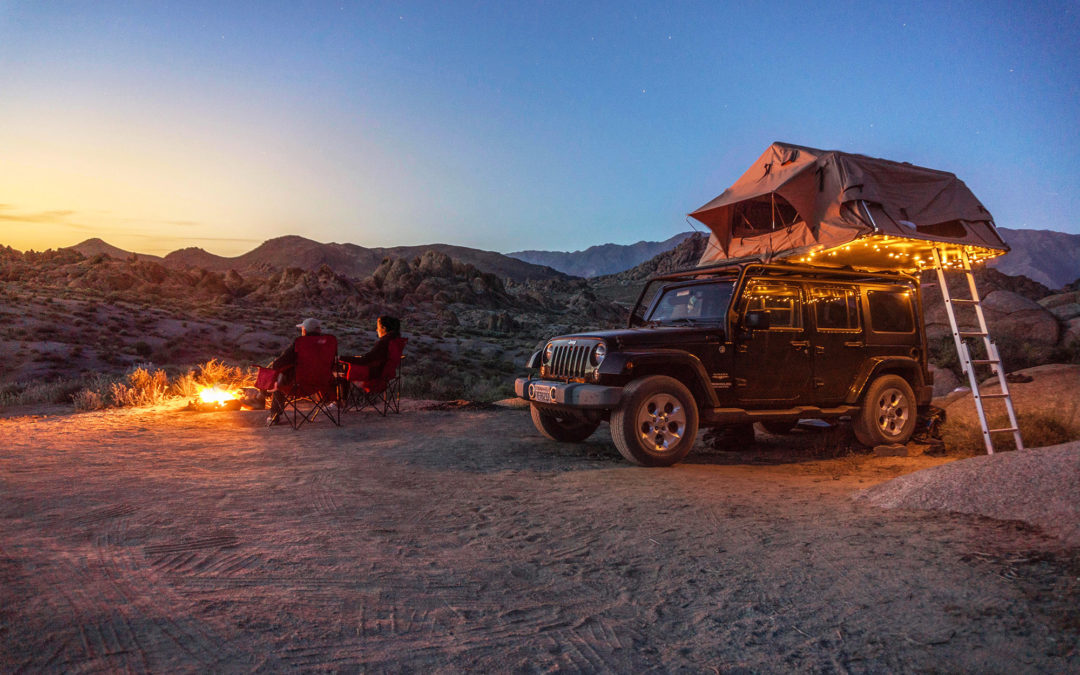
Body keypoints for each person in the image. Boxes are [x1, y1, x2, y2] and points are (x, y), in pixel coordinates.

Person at [265, 317, 324, 426]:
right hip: (321, 383)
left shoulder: (300, 343)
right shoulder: (327, 343)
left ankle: (274, 415)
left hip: (299, 384)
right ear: (319, 330)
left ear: (304, 331)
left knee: (279, 379)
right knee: (282, 374)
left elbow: (278, 363)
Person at [340, 316, 401, 383]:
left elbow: (364, 360)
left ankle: (337, 393)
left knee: (340, 369)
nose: (376, 330)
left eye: (378, 327)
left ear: (383, 328)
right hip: (386, 375)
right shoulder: (394, 341)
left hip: (372, 375)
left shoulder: (384, 343)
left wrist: (341, 358)